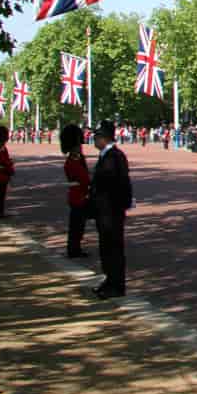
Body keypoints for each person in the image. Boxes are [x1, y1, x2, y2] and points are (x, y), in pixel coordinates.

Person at [91, 120, 131, 299]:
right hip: (104, 210)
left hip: (112, 211)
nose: (94, 140)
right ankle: (109, 280)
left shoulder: (114, 157)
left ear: (104, 138)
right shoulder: (107, 156)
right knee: (106, 248)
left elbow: (120, 184)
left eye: (97, 136)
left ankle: (117, 285)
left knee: (114, 249)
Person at [62, 124, 94, 258]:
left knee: (79, 226)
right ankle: (73, 249)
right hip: (77, 196)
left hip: (80, 195)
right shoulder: (71, 162)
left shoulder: (77, 159)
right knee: (76, 226)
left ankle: (75, 247)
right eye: (77, 146)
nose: (79, 148)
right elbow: (84, 178)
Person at [0, 125, 14, 219]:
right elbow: (2, 161)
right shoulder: (0, 148)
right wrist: (10, 163)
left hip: (1, 173)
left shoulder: (1, 147)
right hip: (2, 173)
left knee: (0, 194)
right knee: (0, 195)